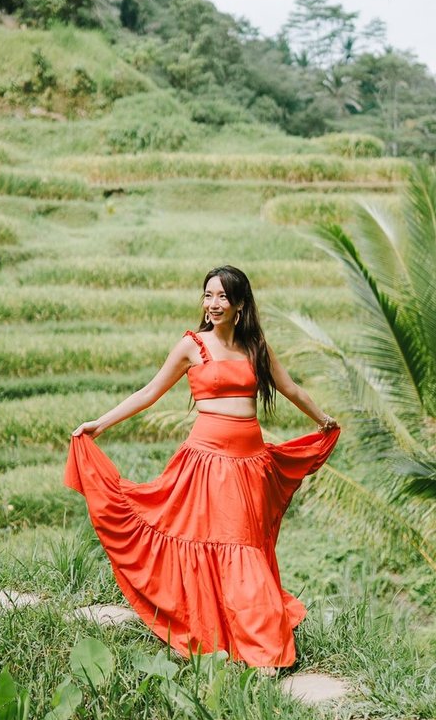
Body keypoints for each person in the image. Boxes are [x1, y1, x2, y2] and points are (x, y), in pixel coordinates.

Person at [65, 264, 340, 668]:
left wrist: (322, 420)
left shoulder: (255, 346)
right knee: (235, 547)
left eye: (222, 297)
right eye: (208, 295)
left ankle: (251, 638)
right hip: (207, 463)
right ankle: (262, 651)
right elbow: (149, 392)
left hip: (250, 465)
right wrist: (100, 423)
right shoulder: (192, 346)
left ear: (240, 305)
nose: (213, 304)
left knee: (243, 548)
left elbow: (290, 387)